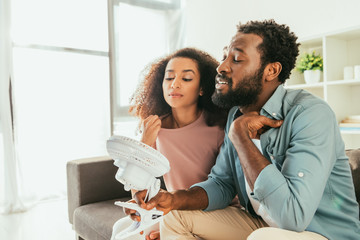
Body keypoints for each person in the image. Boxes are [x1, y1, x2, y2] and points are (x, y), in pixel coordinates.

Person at [133, 19, 360, 240]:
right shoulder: (236, 115)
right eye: (224, 57)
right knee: (175, 219)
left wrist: (241, 138)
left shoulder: (310, 114)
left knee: (262, 237)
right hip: (260, 224)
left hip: (319, 232)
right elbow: (221, 184)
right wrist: (173, 199)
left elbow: (293, 217)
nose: (221, 67)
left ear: (271, 70)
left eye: (237, 59)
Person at [111, 48, 228, 240]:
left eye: (186, 79)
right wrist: (146, 141)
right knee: (120, 228)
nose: (175, 84)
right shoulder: (155, 128)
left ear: (202, 88)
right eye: (169, 78)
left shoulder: (217, 129)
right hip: (175, 208)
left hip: (214, 211)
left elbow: (224, 187)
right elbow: (139, 189)